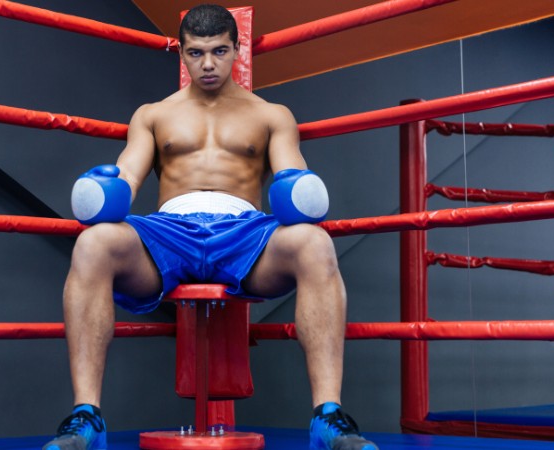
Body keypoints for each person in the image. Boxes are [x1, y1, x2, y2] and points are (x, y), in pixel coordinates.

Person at [43, 4, 378, 450]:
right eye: (196, 53)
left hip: (245, 234)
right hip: (170, 233)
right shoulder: (153, 115)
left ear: (237, 50)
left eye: (219, 51)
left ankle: (328, 418)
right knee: (93, 243)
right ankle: (86, 419)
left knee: (314, 243)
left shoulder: (272, 115)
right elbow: (128, 176)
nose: (207, 64)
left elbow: (293, 180)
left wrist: (299, 190)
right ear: (180, 52)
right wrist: (105, 190)